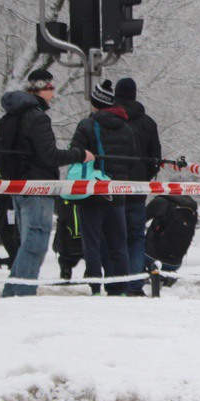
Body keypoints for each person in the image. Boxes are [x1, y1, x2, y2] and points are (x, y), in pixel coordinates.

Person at [1, 69, 92, 297]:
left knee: (27, 244)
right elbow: (50, 156)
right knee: (35, 245)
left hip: (19, 188)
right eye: (51, 88)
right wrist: (80, 154)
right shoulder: (38, 117)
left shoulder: (15, 113)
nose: (53, 93)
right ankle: (22, 295)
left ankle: (12, 293)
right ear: (43, 89)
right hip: (38, 188)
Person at [70, 80, 136, 296]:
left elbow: (75, 154)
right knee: (119, 244)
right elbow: (132, 159)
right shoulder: (126, 128)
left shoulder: (86, 125)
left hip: (92, 192)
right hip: (117, 194)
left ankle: (95, 287)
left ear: (95, 103)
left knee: (92, 243)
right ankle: (121, 287)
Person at [114, 77, 162, 296]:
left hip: (112, 189)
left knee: (114, 236)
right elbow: (155, 158)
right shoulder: (148, 123)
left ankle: (116, 282)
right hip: (138, 190)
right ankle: (134, 284)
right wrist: (145, 176)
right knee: (136, 236)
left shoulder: (108, 119)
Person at [144, 194, 198, 283]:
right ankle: (167, 274)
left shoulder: (161, 202)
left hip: (151, 258)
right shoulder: (191, 207)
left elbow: (141, 220)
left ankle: (140, 274)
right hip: (176, 262)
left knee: (134, 240)